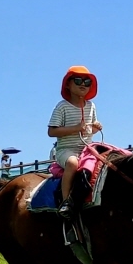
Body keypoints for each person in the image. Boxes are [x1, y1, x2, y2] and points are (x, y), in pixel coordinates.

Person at [47, 65, 102, 218]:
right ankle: (66, 202)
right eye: (78, 80)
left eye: (87, 81)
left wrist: (96, 127)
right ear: (68, 84)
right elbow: (52, 131)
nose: (83, 84)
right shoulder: (62, 107)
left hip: (87, 149)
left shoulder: (91, 106)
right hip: (66, 149)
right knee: (72, 163)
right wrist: (76, 128)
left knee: (106, 163)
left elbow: (88, 131)